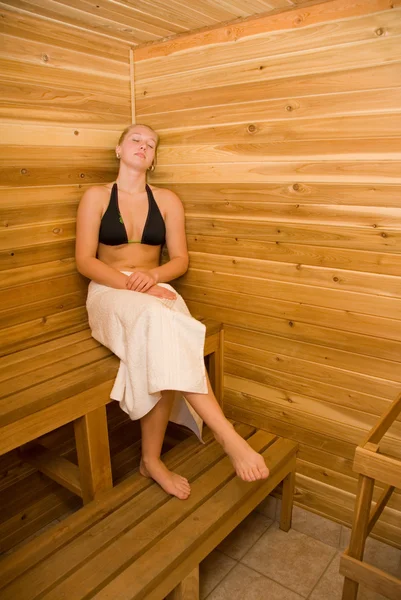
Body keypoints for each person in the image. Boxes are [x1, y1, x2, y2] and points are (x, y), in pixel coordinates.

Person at [75, 123, 269, 500]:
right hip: (109, 291)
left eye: (151, 144)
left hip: (155, 285)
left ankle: (151, 461)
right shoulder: (96, 196)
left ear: (154, 157)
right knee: (161, 322)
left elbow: (180, 259)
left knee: (160, 333)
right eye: (136, 139)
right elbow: (84, 260)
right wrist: (129, 283)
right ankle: (227, 435)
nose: (143, 146)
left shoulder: (167, 201)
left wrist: (154, 275)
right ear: (118, 149)